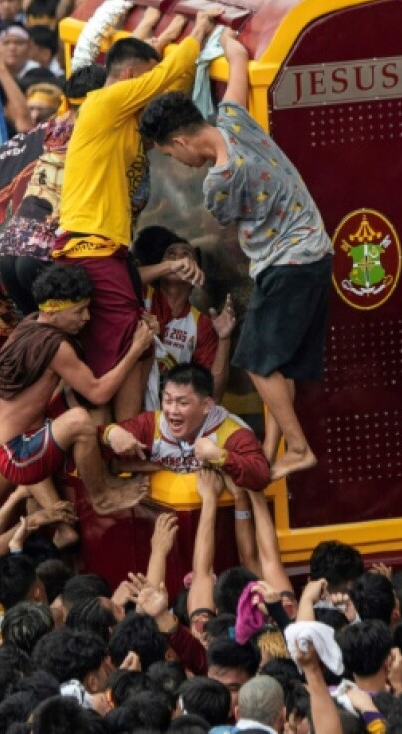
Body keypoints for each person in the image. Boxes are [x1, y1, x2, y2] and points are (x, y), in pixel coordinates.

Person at [138, 29, 332, 479]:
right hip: (312, 252)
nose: (178, 163)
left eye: (170, 155)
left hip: (287, 263)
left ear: (180, 143)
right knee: (278, 365)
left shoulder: (219, 181)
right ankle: (271, 447)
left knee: (257, 363)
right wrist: (228, 41)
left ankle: (298, 448)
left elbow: (221, 228)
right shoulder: (231, 120)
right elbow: (239, 63)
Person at [54, 8, 220, 422]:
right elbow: (166, 78)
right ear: (131, 79)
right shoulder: (105, 103)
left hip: (104, 249)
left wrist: (167, 35)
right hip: (93, 245)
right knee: (134, 345)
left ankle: (119, 435)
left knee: (122, 348)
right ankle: (126, 439)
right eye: (142, 79)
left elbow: (170, 87)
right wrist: (200, 27)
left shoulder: (124, 124)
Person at [0, 265, 152, 553]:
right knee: (80, 420)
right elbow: (99, 392)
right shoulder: (55, 345)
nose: (86, 318)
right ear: (54, 312)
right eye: (79, 311)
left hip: (6, 448)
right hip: (17, 453)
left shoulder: (29, 325)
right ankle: (102, 497)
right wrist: (136, 349)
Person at [96, 362, 270, 491]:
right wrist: (111, 434)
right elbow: (94, 440)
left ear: (206, 405)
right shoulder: (152, 424)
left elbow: (262, 474)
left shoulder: (231, 432)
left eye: (182, 403)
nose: (172, 411)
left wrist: (220, 456)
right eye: (167, 400)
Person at [141, 241, 234, 411]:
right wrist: (169, 266)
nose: (178, 259)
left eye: (186, 255)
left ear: (197, 274)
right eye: (171, 255)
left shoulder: (201, 323)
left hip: (171, 413)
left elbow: (214, 396)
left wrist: (224, 339)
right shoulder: (141, 295)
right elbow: (124, 277)